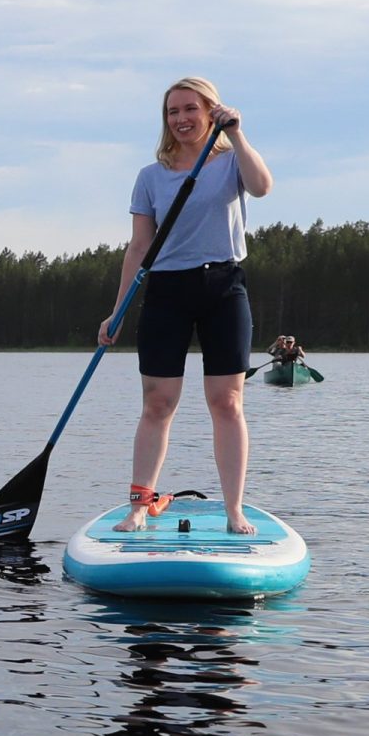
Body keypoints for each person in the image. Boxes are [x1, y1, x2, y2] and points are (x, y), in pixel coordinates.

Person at [99, 79, 273, 534]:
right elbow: (138, 247)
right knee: (158, 402)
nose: (181, 119)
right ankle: (139, 505)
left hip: (223, 287)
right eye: (173, 111)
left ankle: (235, 510)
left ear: (210, 110)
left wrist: (236, 132)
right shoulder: (150, 176)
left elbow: (263, 187)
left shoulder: (233, 161)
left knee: (227, 402)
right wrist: (117, 312)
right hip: (167, 292)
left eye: (190, 109)